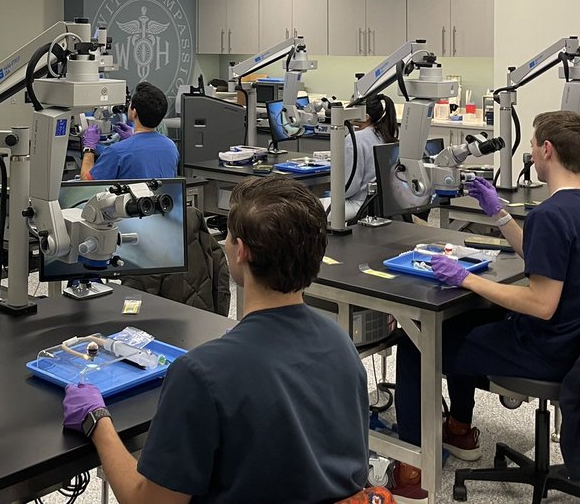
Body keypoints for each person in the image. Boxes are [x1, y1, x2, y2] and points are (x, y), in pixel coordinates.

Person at [61, 175, 370, 503]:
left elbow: (147, 501)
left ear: (241, 252)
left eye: (229, 235)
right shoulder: (341, 344)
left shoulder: (201, 374)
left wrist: (96, 419)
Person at [388, 111, 580, 502]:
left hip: (551, 351)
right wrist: (499, 215)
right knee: (466, 321)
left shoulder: (552, 214)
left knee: (415, 342)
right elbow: (543, 260)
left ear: (546, 150)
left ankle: (413, 465)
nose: (530, 150)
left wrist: (465, 278)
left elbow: (542, 302)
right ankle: (460, 429)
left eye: (533, 143)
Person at [81, 82, 179, 181]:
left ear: (134, 112)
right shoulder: (170, 146)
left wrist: (89, 149)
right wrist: (131, 139)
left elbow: (86, 183)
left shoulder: (117, 151)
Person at [344, 93, 398, 220]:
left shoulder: (355, 138)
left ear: (365, 117)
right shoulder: (385, 135)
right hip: (381, 205)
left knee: (309, 210)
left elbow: (348, 188)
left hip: (359, 205)